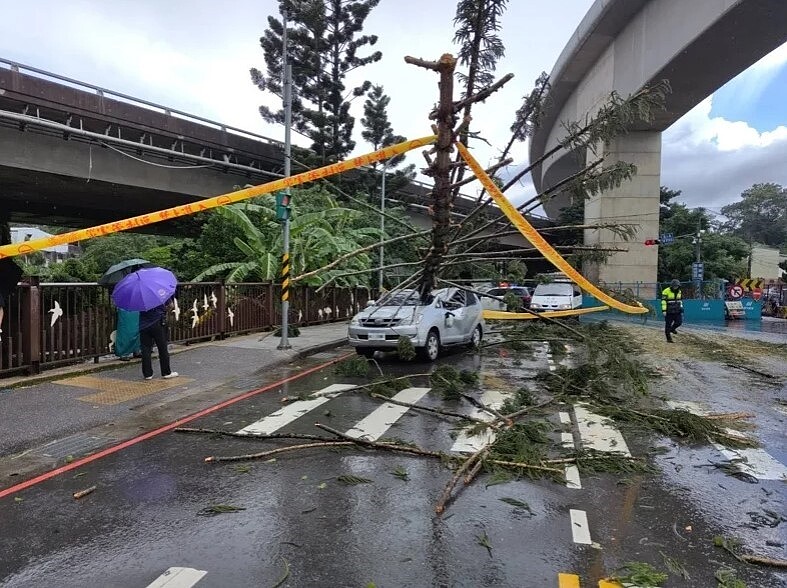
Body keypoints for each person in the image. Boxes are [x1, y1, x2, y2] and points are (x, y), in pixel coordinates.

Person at [139, 301, 178, 380]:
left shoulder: (139, 295)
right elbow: (170, 305)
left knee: (146, 349)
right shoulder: (158, 291)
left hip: (143, 324)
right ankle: (166, 372)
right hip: (158, 322)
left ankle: (147, 374)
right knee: (162, 347)